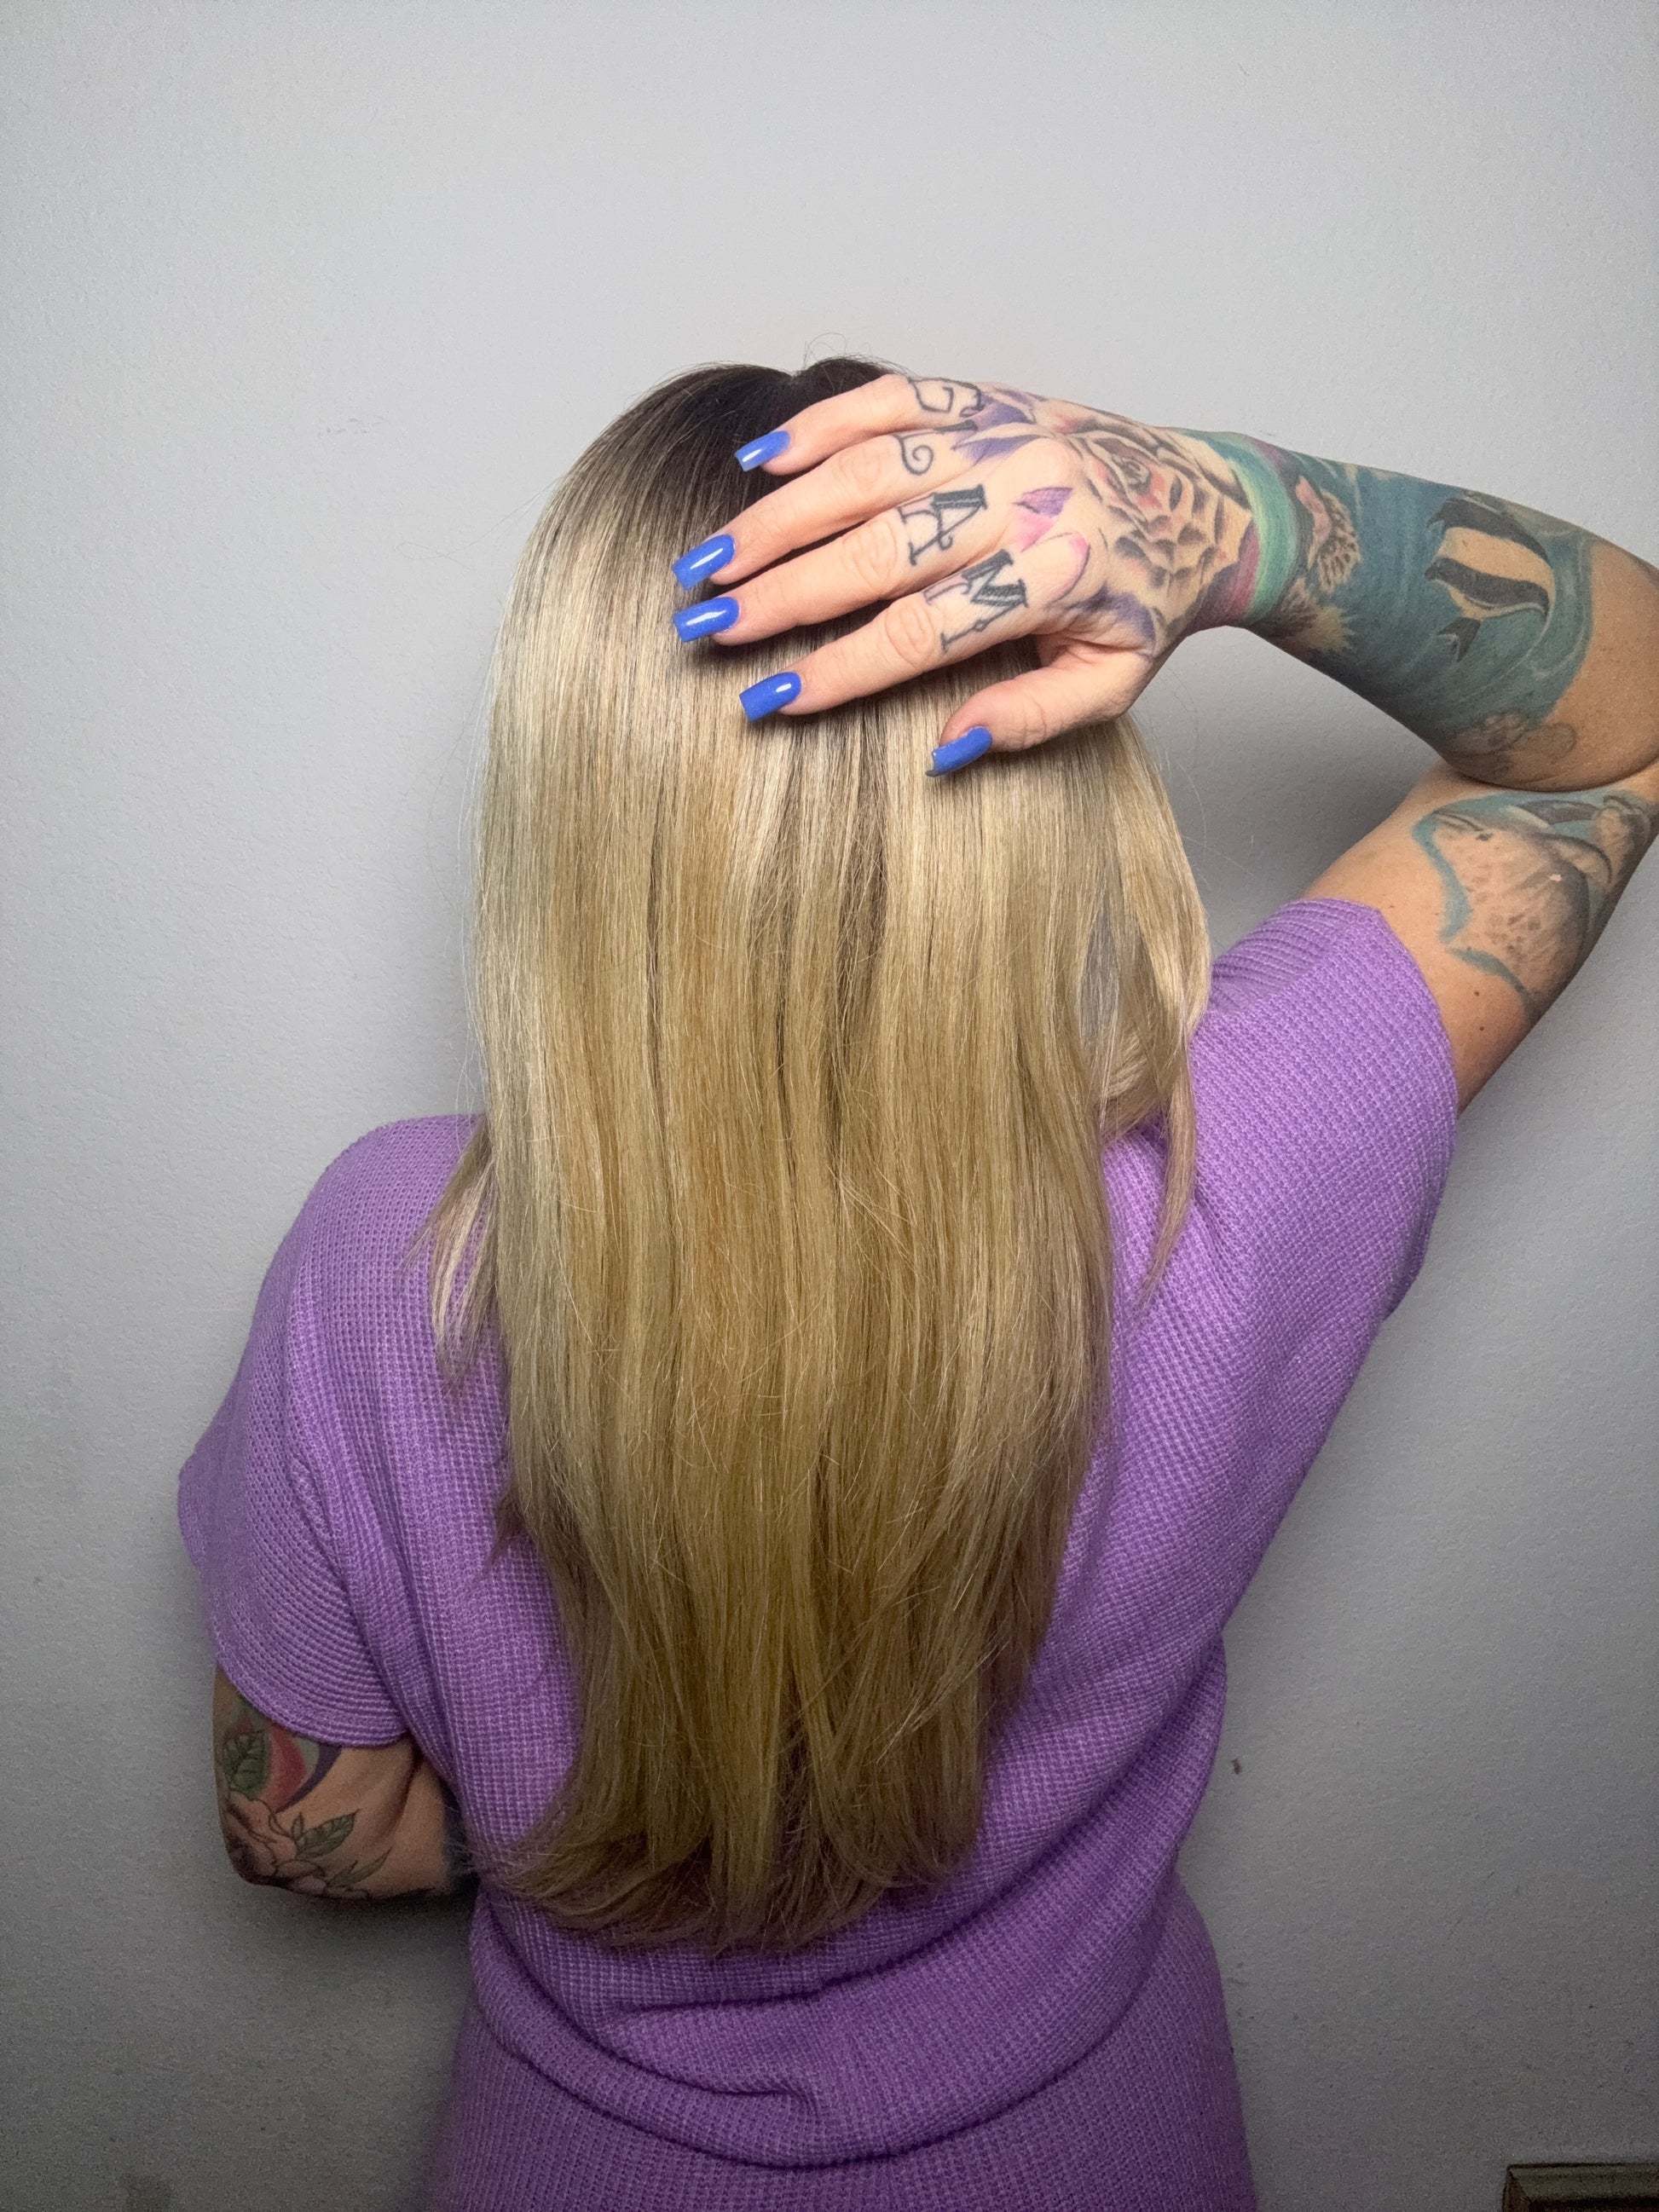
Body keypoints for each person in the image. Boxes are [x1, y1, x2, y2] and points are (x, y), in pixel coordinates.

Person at [178, 356, 1659, 2210]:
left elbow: (310, 1832)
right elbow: (1614, 730)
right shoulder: (1237, 1177)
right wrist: (1216, 512)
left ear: (570, 789)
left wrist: (643, 1806)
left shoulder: (383, 1263)